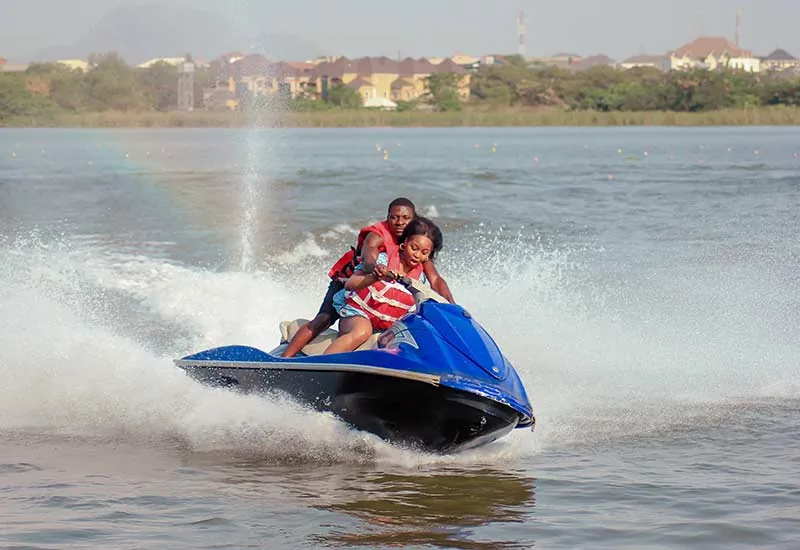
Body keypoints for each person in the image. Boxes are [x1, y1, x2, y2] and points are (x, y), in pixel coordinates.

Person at [282, 197, 453, 357]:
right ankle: (286, 360)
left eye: (405, 218)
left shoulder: (419, 246)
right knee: (324, 319)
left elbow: (436, 280)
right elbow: (368, 257)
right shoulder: (380, 235)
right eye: (394, 217)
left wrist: (453, 309)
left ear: (414, 220)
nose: (399, 222)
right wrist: (378, 271)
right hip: (350, 282)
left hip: (377, 296)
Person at [323, 216, 442, 355]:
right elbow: (350, 284)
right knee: (362, 331)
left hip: (386, 326)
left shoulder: (420, 278)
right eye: (414, 248)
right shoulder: (383, 260)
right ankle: (323, 363)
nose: (417, 255)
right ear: (404, 243)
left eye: (424, 252)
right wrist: (375, 276)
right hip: (357, 314)